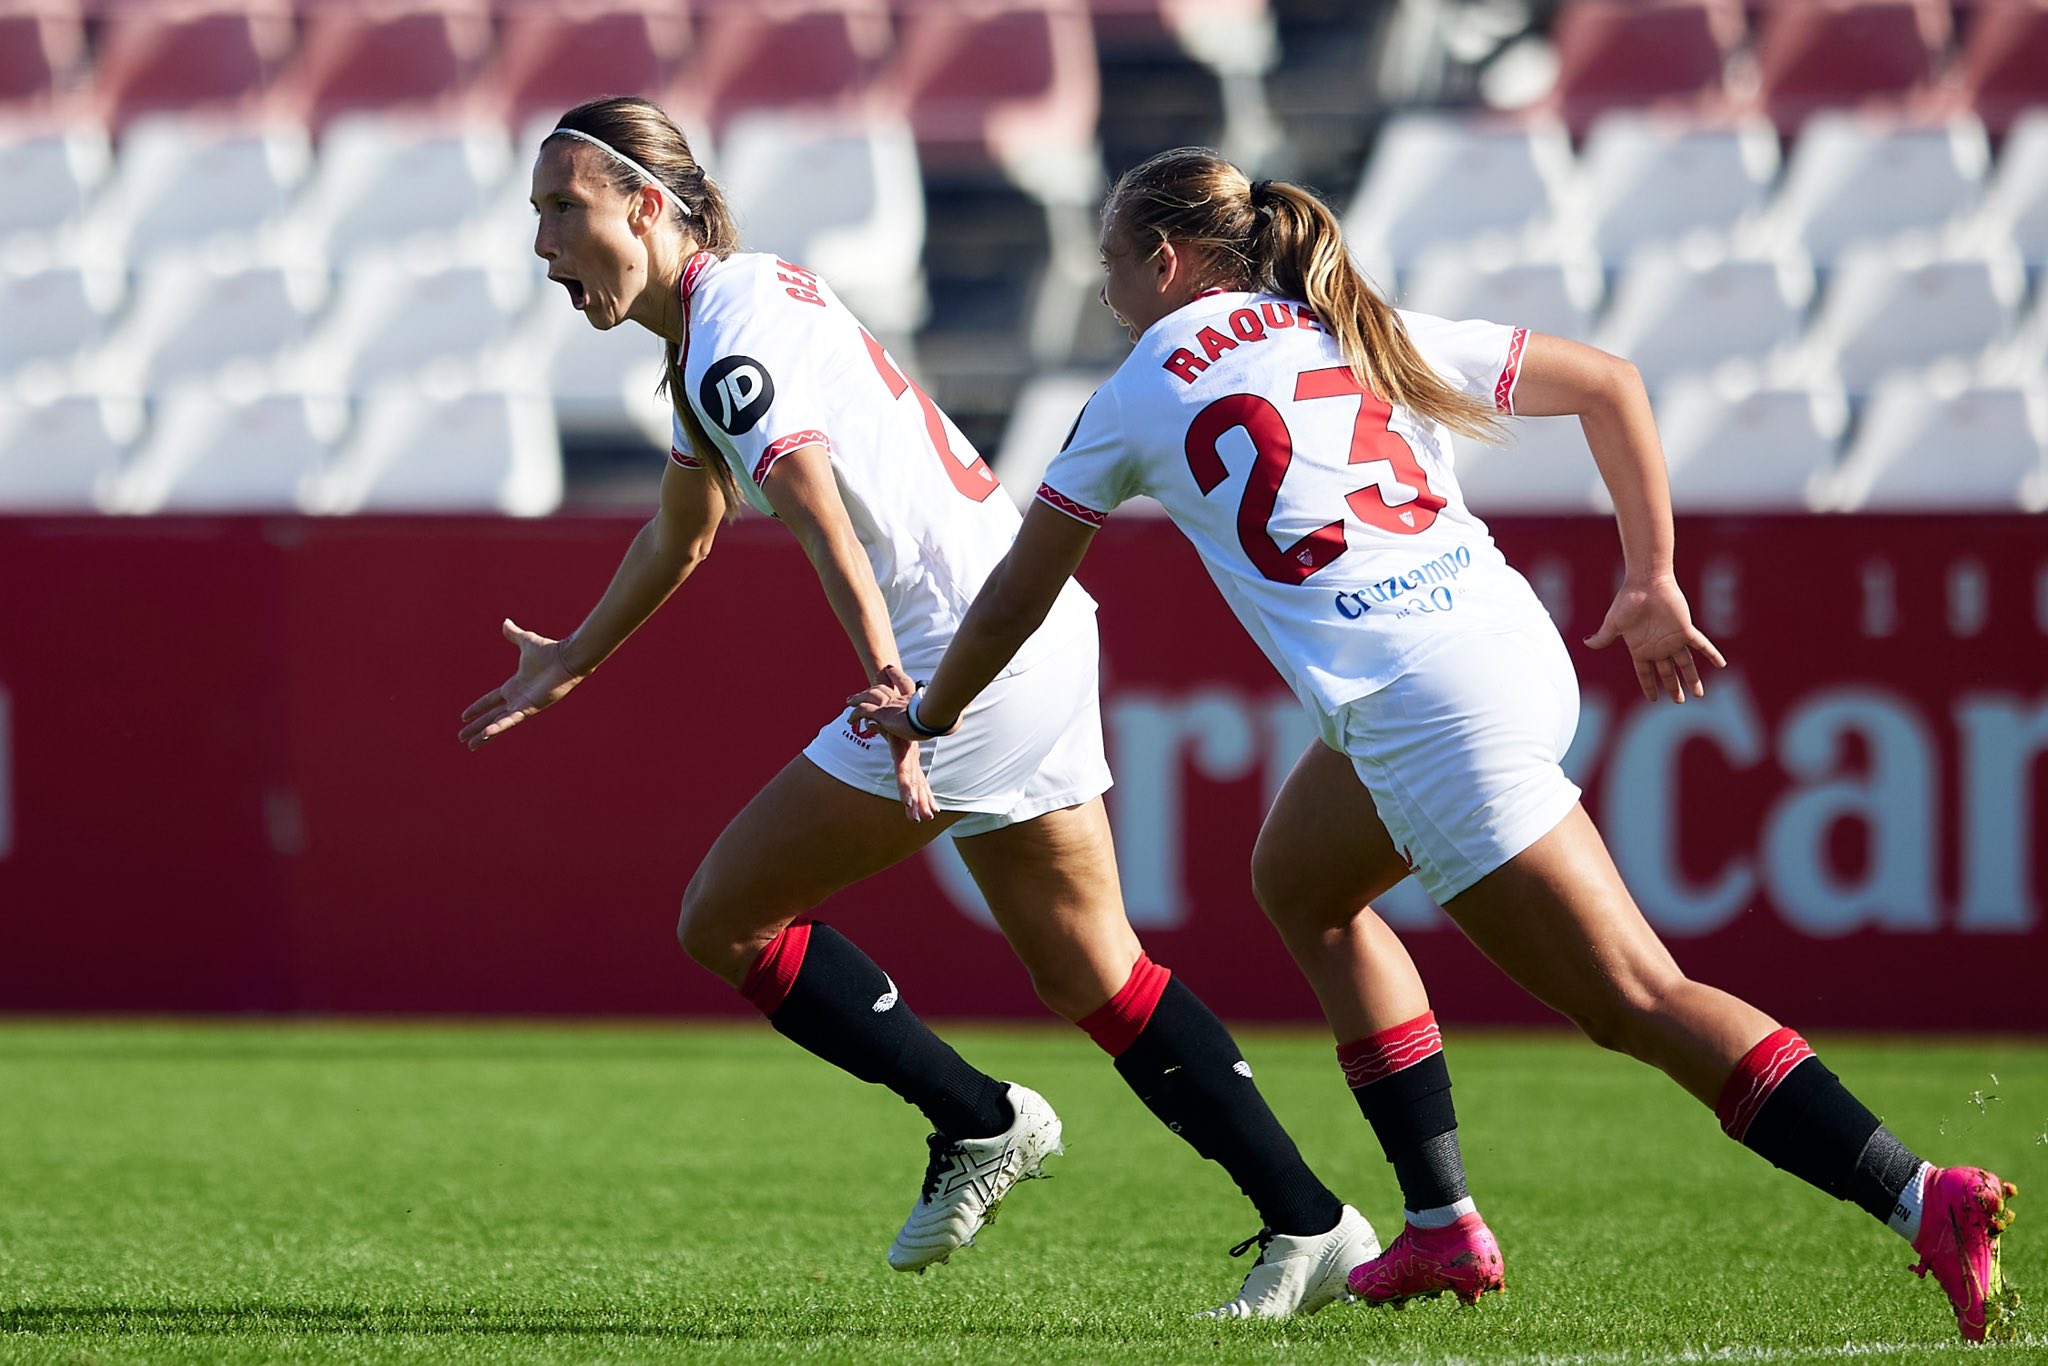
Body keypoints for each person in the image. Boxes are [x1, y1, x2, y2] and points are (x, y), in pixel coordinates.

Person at [850, 146, 2020, 1343]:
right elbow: (1610, 381)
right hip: (1506, 647)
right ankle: (1439, 1224)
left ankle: (1916, 1191)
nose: (1105, 295)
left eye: (1110, 266)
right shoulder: (1351, 322)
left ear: (1163, 259)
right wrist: (1653, 580)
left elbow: (1011, 600)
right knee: (1299, 881)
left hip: (1424, 710)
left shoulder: (1138, 389)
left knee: (1636, 997)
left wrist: (928, 715)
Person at [458, 99, 1380, 1316]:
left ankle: (978, 1120)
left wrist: (901, 689)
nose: (542, 246)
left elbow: (812, 504)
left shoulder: (724, 339)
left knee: (724, 918)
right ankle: (1312, 1222)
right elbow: (684, 530)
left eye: (561, 210)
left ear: (645, 204)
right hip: (1032, 630)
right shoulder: (737, 303)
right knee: (1095, 973)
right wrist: (572, 655)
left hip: (964, 656)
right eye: (536, 216)